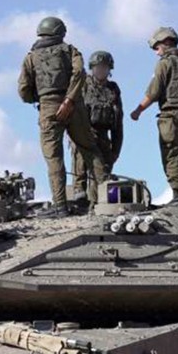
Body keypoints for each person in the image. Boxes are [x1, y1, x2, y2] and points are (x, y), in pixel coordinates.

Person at [18, 16, 108, 215]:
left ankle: (61, 207)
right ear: (60, 32)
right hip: (74, 105)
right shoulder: (69, 50)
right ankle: (109, 197)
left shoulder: (31, 57)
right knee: (89, 149)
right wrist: (69, 99)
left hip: (47, 107)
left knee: (54, 158)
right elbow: (80, 73)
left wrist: (39, 99)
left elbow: (23, 89)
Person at [129, 26, 178, 208]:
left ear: (165, 43)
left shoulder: (165, 63)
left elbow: (154, 92)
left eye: (157, 48)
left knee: (172, 155)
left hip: (170, 117)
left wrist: (138, 111)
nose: (157, 53)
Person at [69, 51, 123, 199]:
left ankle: (96, 202)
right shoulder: (83, 85)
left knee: (102, 175)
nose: (100, 71)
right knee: (80, 168)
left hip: (103, 136)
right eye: (97, 67)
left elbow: (118, 123)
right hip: (83, 133)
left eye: (104, 68)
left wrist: (116, 150)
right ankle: (79, 194)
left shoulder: (113, 90)